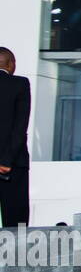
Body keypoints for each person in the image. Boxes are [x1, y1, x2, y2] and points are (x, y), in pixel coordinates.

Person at [0, 47, 31, 228]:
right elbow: (20, 127)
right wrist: (6, 161)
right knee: (16, 225)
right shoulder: (19, 84)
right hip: (12, 165)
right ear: (11, 64)